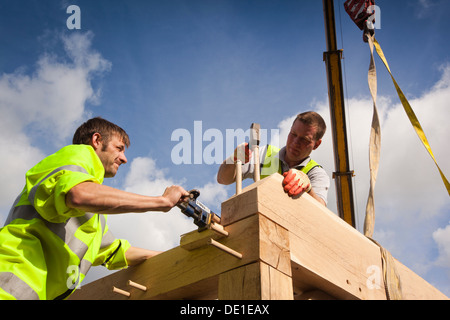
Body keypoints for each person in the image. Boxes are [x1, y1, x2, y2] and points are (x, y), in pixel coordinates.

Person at [0, 117, 189, 300]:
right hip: (9, 280)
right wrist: (161, 201)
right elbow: (78, 194)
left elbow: (116, 252)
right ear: (97, 140)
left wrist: (180, 256)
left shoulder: (93, 219)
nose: (124, 159)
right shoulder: (77, 154)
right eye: (119, 148)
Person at [217, 111, 330, 206]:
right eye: (293, 134)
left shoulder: (316, 173)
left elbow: (322, 214)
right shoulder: (264, 154)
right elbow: (222, 179)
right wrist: (234, 159)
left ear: (316, 144)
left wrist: (308, 189)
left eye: (304, 139)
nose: (295, 142)